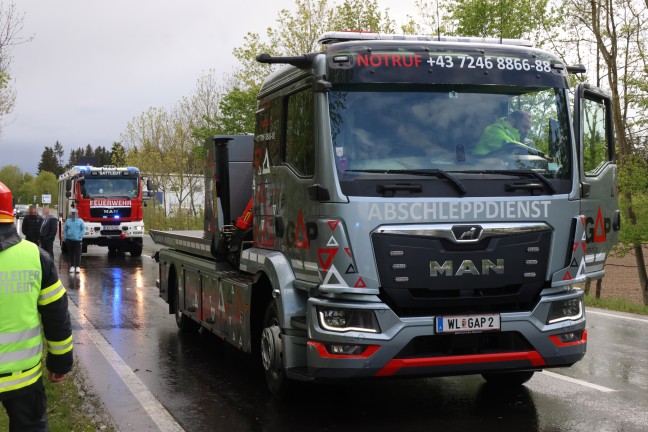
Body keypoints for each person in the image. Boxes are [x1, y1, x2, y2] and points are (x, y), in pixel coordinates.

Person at [0, 182, 73, 431]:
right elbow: (56, 313)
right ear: (12, 216)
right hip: (23, 379)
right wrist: (60, 363)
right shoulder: (35, 257)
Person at [63, 208, 85, 274]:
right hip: (69, 240)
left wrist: (80, 236)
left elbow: (83, 228)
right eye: (72, 213)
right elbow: (65, 229)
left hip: (78, 240)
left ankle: (78, 266)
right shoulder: (68, 221)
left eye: (74, 213)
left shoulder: (80, 221)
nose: (73, 215)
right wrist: (66, 237)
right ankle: (72, 266)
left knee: (78, 253)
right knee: (71, 254)